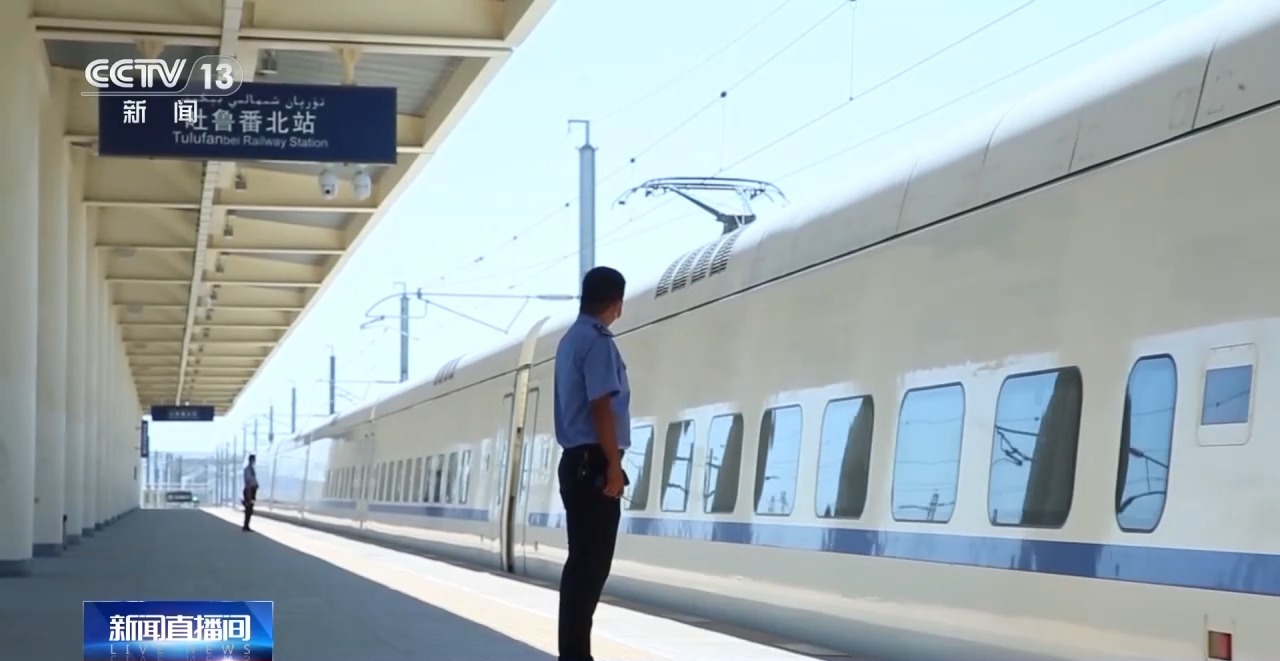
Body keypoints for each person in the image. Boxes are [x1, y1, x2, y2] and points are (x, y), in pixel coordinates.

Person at [553, 266, 631, 661]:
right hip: (594, 465)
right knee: (592, 566)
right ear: (616, 303)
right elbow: (601, 406)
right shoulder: (598, 343)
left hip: (576, 463)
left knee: (580, 565)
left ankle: (573, 653)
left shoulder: (570, 339)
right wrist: (614, 465)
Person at [242, 454, 258, 532]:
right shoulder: (248, 469)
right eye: (254, 460)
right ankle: (246, 526)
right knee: (249, 509)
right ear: (251, 460)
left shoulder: (251, 469)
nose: (254, 461)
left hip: (252, 490)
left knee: (250, 509)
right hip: (250, 490)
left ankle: (247, 525)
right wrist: (249, 495)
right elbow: (248, 482)